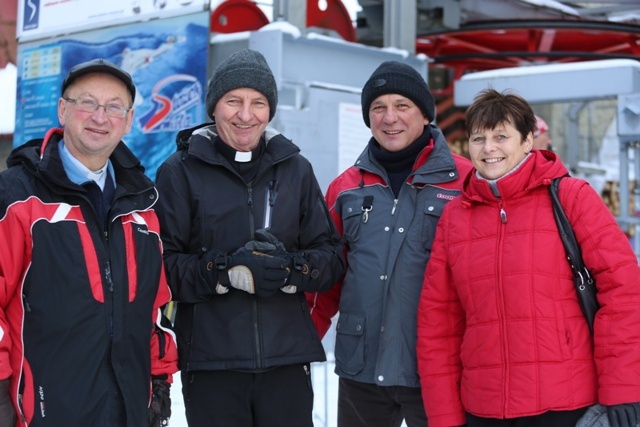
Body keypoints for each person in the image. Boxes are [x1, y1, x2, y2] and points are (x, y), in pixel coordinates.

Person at [417, 88, 640, 427]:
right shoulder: (455, 218)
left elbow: (624, 293)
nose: (488, 148)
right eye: (479, 138)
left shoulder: (570, 197)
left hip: (564, 403)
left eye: (501, 136)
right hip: (483, 407)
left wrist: (623, 386)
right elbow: (439, 325)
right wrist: (444, 416)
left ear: (527, 142)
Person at [154, 48, 345, 427]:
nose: (245, 115)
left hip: (286, 361)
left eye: (258, 103)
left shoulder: (295, 169)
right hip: (212, 364)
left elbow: (331, 256)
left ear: (270, 111)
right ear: (214, 107)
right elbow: (162, 266)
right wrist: (223, 273)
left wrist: (291, 270)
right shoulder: (180, 171)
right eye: (233, 101)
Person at [0, 58, 178, 426]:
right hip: (41, 414)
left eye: (114, 107)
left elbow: (155, 308)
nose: (100, 116)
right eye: (87, 103)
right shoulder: (16, 198)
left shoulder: (142, 207)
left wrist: (159, 382)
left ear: (128, 121)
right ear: (63, 110)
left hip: (128, 412)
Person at [306, 60, 473, 427]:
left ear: (425, 114)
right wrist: (299, 343)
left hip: (437, 369)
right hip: (361, 368)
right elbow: (328, 280)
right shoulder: (345, 188)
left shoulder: (465, 182)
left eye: (402, 106)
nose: (389, 118)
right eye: (378, 108)